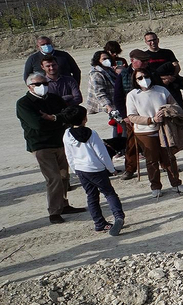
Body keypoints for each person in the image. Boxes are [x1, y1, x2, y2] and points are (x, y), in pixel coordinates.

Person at [18, 71, 83, 224]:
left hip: (60, 141)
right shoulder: (24, 103)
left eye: (45, 83)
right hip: (41, 145)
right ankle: (54, 211)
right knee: (53, 178)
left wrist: (53, 118)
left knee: (64, 176)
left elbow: (68, 115)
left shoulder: (54, 98)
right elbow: (37, 124)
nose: (42, 86)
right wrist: (58, 121)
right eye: (38, 84)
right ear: (29, 86)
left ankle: (64, 204)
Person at [64, 109, 124, 235]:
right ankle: (118, 216)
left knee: (91, 196)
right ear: (84, 119)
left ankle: (99, 223)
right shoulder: (92, 133)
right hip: (96, 169)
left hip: (81, 169)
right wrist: (111, 169)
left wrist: (75, 170)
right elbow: (102, 154)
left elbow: (69, 155)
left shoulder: (67, 134)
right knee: (109, 193)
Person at [126, 67, 183, 198]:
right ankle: (156, 186)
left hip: (164, 129)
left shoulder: (161, 90)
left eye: (146, 76)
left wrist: (167, 111)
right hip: (145, 132)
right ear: (135, 80)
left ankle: (176, 183)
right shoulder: (132, 95)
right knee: (152, 160)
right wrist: (151, 120)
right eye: (140, 78)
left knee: (169, 157)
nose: (144, 80)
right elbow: (132, 117)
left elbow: (175, 105)